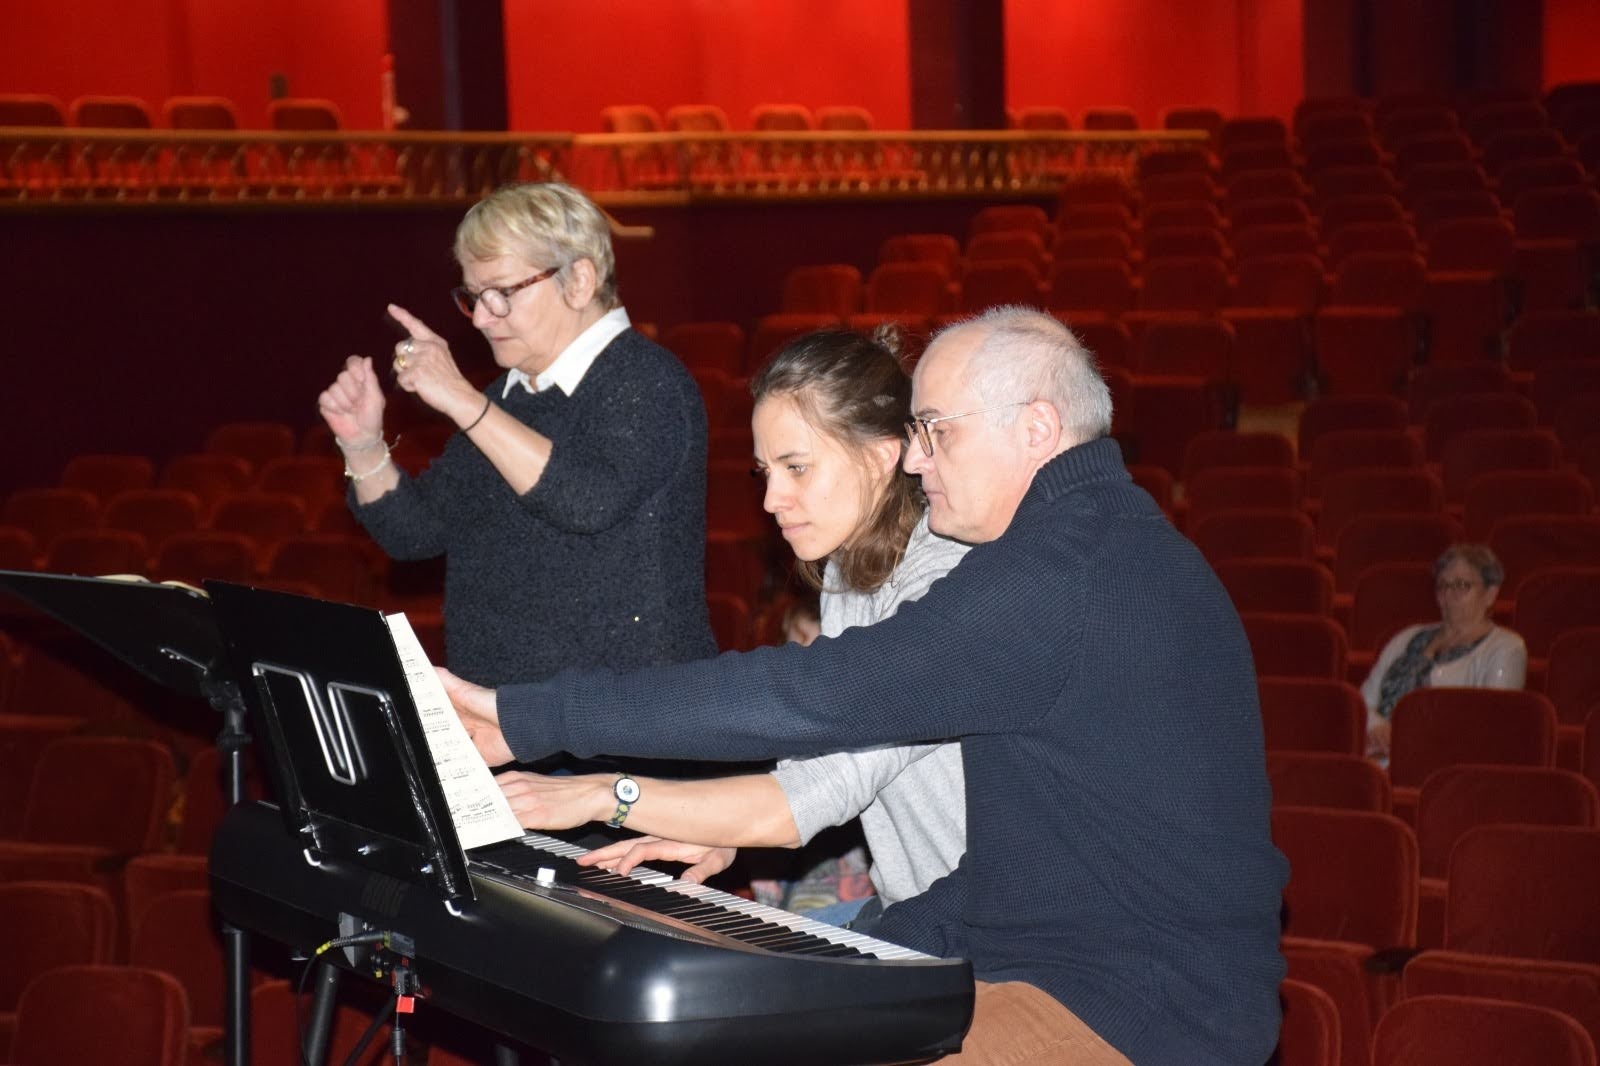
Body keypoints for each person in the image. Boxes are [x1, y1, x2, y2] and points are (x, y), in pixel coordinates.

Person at [444, 306, 1287, 1065]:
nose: (916, 460)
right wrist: (822, 953)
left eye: (935, 432)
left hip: (1142, 1010)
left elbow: (817, 696)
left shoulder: (1062, 576)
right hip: (1049, 957)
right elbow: (1015, 872)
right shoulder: (1084, 548)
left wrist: (534, 718)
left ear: (1037, 429)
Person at [492, 329, 970, 932]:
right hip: (919, 914)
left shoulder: (945, 583)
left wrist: (605, 793)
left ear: (879, 456)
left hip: (995, 940)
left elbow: (833, 780)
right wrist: (722, 835)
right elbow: (818, 760)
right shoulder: (850, 568)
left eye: (797, 468)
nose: (772, 498)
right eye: (765, 472)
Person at [316, 181, 715, 686]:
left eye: (502, 293)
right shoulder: (510, 396)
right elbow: (413, 533)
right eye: (474, 297)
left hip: (621, 727)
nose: (482, 318)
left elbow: (586, 501)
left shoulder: (646, 380)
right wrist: (363, 443)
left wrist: (463, 400)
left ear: (579, 281)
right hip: (511, 724)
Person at [1360, 543, 1527, 762]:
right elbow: (1362, 700)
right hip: (1376, 753)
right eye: (1442, 586)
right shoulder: (1407, 637)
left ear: (1490, 594)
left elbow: (1488, 726)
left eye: (1461, 585)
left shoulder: (1506, 648)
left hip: (1443, 764)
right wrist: (1378, 728)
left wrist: (1401, 740)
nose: (1448, 595)